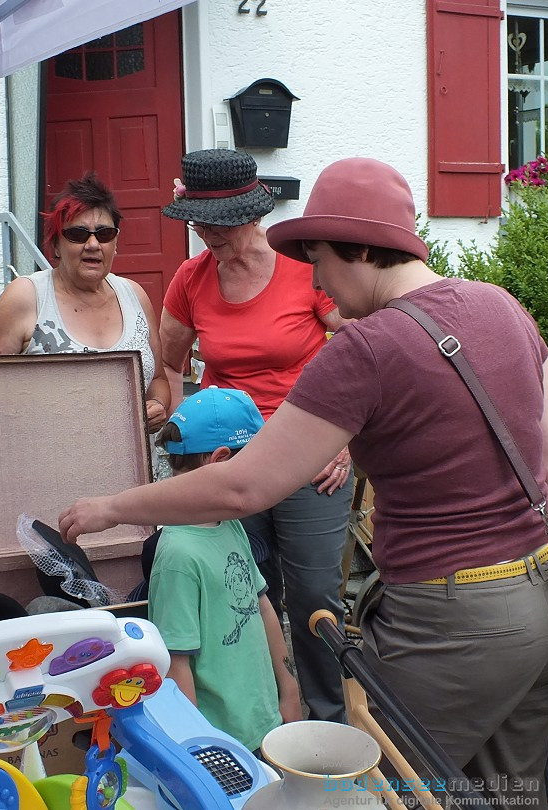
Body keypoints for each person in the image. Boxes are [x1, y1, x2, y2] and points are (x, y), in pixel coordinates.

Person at [60, 157, 548, 808]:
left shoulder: (367, 348)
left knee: (377, 792)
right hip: (544, 604)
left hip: (450, 624)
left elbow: (242, 488)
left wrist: (113, 506)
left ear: (359, 248)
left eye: (321, 258)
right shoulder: (502, 308)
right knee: (505, 794)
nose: (319, 281)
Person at [158, 148, 352, 723]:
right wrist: (179, 433)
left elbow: (363, 348)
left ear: (251, 212)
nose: (206, 234)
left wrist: (344, 437)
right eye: (198, 222)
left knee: (314, 595)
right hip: (230, 461)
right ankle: (256, 718)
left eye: (217, 222)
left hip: (308, 455)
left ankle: (323, 724)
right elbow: (171, 364)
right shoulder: (191, 281)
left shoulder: (303, 270)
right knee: (242, 594)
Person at [147, 385, 301, 751]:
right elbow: (175, 664)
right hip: (222, 747)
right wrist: (199, 751)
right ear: (219, 461)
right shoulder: (178, 557)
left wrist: (290, 689)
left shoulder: (229, 524)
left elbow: (262, 605)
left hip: (264, 725)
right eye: (258, 465)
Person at [0, 171, 169, 432]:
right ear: (55, 246)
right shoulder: (26, 297)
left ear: (116, 243)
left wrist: (157, 405)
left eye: (105, 233)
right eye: (77, 234)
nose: (93, 244)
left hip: (133, 466)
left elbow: (158, 379)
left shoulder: (134, 296)